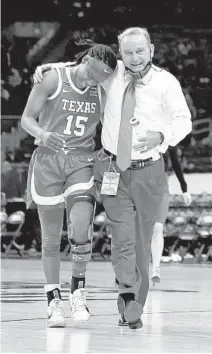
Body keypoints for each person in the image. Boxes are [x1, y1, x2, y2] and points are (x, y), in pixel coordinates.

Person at [33, 27, 192, 330]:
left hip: (150, 169)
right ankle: (127, 299)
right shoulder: (111, 72)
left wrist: (163, 135)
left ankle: (137, 299)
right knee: (122, 239)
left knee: (143, 242)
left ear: (152, 50)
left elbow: (183, 120)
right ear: (121, 53)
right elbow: (82, 68)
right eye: (128, 52)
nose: (134, 57)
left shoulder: (166, 82)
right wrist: (49, 68)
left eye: (140, 51)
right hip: (112, 169)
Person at [21, 44, 117, 328]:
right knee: (50, 239)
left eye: (99, 78)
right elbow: (26, 118)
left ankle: (78, 289)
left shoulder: (102, 86)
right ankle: (53, 301)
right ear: (84, 60)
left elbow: (125, 71)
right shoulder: (52, 79)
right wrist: (41, 132)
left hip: (81, 161)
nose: (92, 81)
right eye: (90, 74)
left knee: (80, 227)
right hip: (49, 161)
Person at [151, 145, 192, 284]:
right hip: (141, 184)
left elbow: (175, 164)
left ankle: (156, 268)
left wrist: (184, 189)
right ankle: (135, 268)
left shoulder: (168, 139)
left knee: (158, 227)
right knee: (140, 229)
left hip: (161, 186)